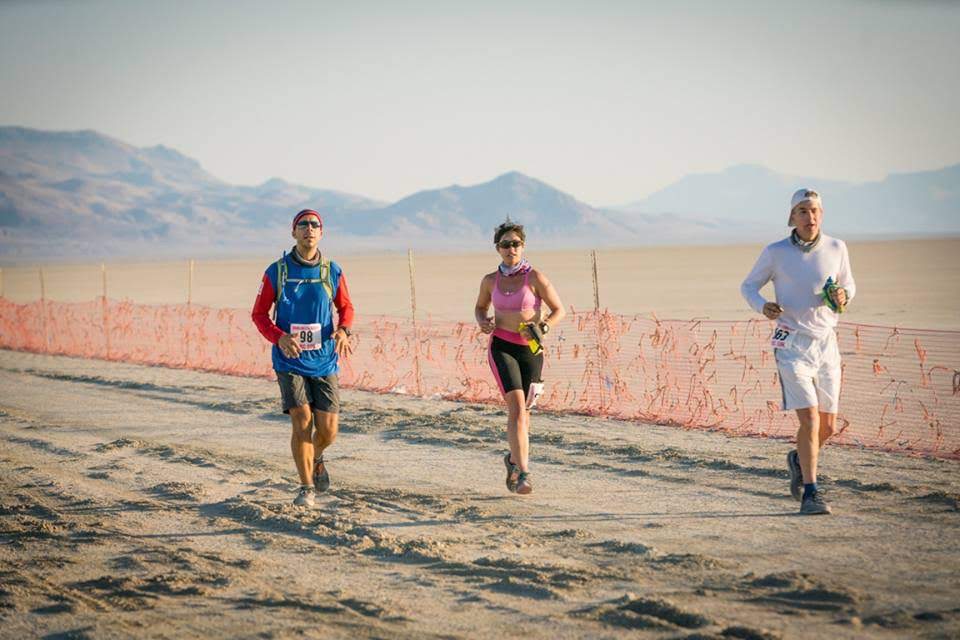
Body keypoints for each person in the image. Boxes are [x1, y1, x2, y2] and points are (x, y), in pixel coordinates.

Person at [740, 189, 856, 515]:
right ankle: (811, 493)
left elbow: (849, 284)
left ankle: (797, 458)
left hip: (826, 344)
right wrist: (763, 306)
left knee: (828, 426)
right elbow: (748, 286)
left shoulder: (837, 247)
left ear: (822, 214)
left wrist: (843, 296)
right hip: (791, 343)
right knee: (809, 419)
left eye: (815, 210)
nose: (810, 217)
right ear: (792, 217)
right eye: (803, 211)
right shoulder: (775, 252)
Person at [252, 209, 355, 507]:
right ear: (293, 232)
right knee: (302, 420)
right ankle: (305, 487)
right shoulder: (277, 271)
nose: (309, 229)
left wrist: (344, 331)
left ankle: (316, 456)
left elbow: (346, 308)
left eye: (314, 225)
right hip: (289, 359)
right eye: (302, 225)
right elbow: (258, 315)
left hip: (324, 360)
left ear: (322, 233)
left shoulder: (332, 271)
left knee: (328, 431)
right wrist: (279, 337)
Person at [474, 220, 565, 495]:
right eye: (505, 244)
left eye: (515, 243)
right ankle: (524, 474)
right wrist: (482, 321)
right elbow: (480, 307)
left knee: (525, 414)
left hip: (531, 349)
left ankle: (513, 461)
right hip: (502, 346)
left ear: (522, 246)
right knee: (515, 408)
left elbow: (559, 309)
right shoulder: (491, 281)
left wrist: (545, 325)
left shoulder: (535, 277)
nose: (511, 248)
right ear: (498, 248)